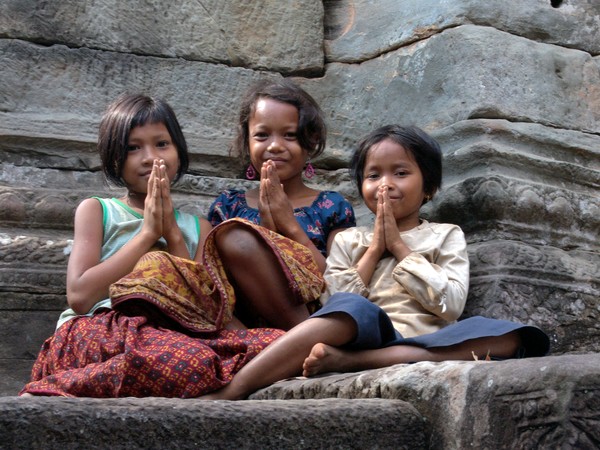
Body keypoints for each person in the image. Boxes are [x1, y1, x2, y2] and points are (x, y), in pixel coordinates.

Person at [201, 124, 550, 400]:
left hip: (427, 340)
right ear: (361, 186)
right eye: (373, 175)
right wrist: (373, 251)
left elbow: (451, 305)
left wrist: (399, 247)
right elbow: (329, 303)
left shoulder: (445, 234)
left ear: (428, 187)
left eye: (400, 173)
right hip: (367, 332)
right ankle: (235, 388)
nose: (386, 185)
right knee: (353, 306)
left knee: (515, 338)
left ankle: (350, 364)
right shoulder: (351, 238)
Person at [20, 94, 283, 398]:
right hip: (99, 330)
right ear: (114, 158)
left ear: (179, 152)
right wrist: (147, 233)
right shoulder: (97, 210)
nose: (150, 157)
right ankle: (56, 384)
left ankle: (93, 380)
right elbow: (79, 296)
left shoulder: (199, 227)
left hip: (170, 335)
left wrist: (172, 235)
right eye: (133, 148)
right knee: (191, 364)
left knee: (272, 345)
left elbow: (200, 308)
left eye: (161, 144)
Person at [207, 79, 356, 329]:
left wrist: (290, 226)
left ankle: (301, 338)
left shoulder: (332, 206)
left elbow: (339, 283)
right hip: (247, 327)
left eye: (290, 135)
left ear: (311, 141)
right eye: (262, 135)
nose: (275, 146)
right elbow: (217, 284)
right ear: (247, 142)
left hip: (315, 318)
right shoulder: (228, 206)